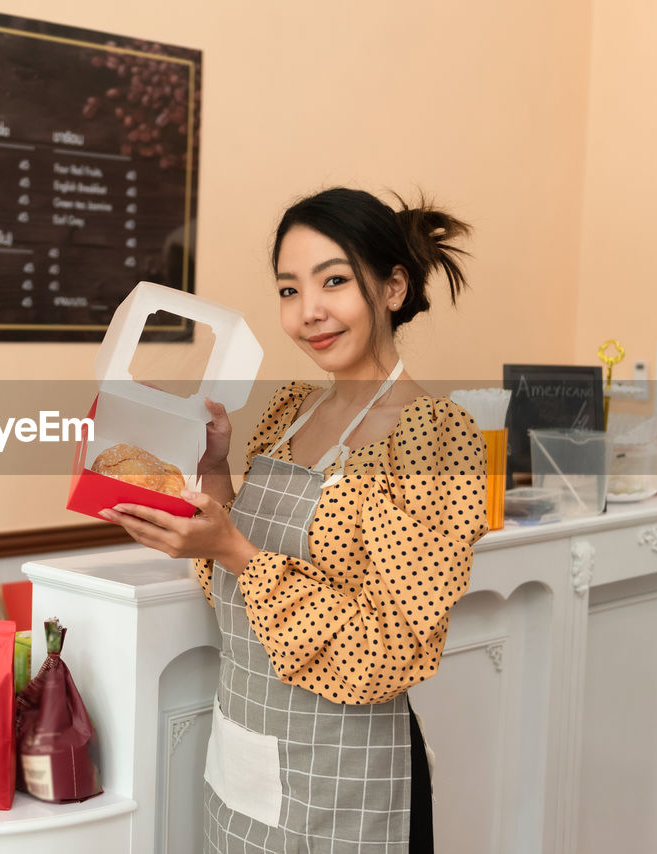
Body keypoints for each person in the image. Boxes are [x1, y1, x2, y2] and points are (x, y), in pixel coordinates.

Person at [100, 187, 490, 852]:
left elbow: (387, 652)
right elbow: (237, 584)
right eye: (288, 290)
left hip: (347, 781)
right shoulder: (292, 413)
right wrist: (214, 474)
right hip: (244, 758)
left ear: (393, 288)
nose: (309, 312)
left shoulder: (436, 438)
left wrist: (233, 549)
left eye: (333, 282)